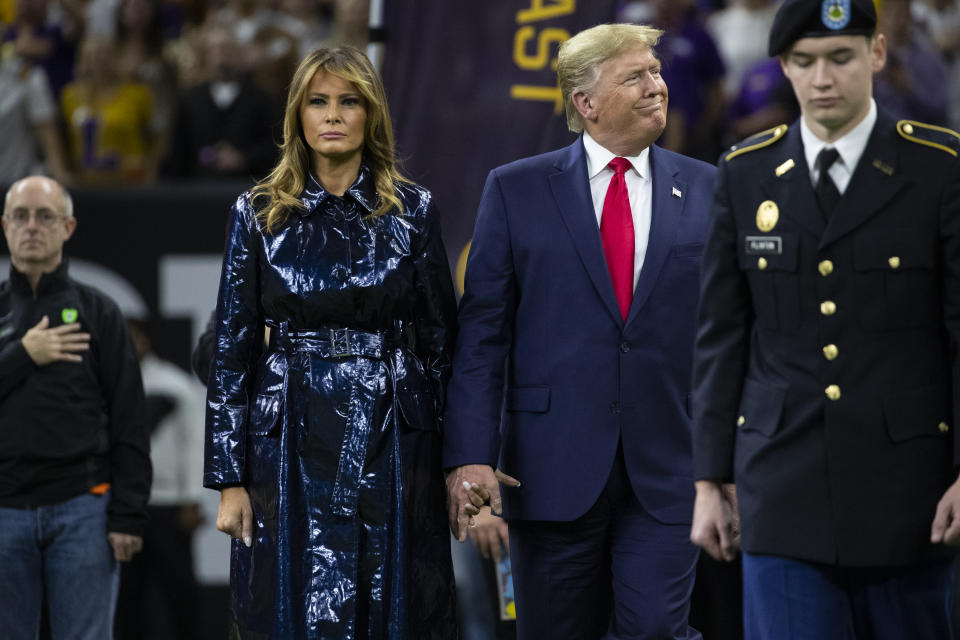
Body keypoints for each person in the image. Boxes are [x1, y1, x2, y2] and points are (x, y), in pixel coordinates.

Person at [689, 1, 960, 638]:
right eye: (804, 62)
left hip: (911, 497)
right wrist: (708, 480)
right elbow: (721, 338)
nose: (822, 79)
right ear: (782, 66)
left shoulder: (939, 170)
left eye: (840, 58)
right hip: (783, 490)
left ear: (877, 54)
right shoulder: (745, 173)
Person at [444, 22, 716, 640]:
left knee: (655, 629)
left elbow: (728, 335)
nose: (657, 86)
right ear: (585, 104)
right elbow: (482, 340)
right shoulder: (515, 189)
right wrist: (470, 458)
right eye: (635, 77)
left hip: (670, 463)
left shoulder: (708, 188)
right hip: (549, 470)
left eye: (655, 71)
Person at [203, 45, 459, 639]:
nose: (333, 115)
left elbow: (445, 345)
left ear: (372, 115)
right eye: (318, 102)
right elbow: (232, 352)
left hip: (396, 440)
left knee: (397, 609)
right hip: (286, 443)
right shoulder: (256, 213)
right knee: (287, 611)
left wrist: (456, 463)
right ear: (298, 115)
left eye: (349, 101)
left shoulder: (413, 211)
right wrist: (229, 480)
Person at [0, 175, 151, 639]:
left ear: (68, 228)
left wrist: (128, 514)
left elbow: (130, 416)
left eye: (45, 216)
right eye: (20, 216)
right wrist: (25, 353)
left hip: (83, 507)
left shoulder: (99, 311)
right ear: (5, 226)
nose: (31, 226)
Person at [116, 318, 205, 640]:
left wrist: (192, 499)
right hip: (122, 506)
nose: (128, 342)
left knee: (179, 590)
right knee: (127, 593)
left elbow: (194, 446)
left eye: (134, 335)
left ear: (146, 338)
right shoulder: (102, 384)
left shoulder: (174, 384)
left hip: (168, 504)